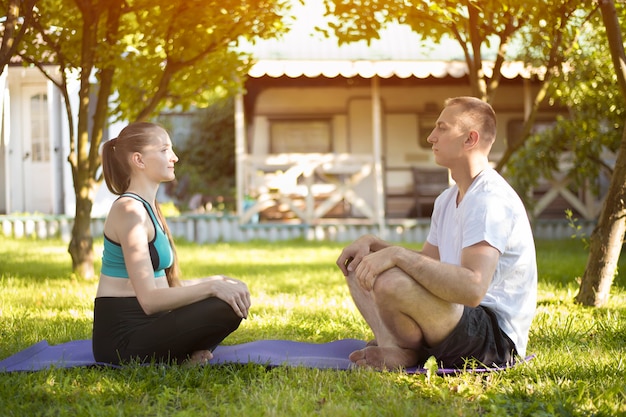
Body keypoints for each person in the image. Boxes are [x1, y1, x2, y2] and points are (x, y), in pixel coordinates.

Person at [336, 97, 537, 370]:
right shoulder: (447, 199)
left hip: (493, 340)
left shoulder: (489, 199)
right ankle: (397, 348)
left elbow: (472, 288)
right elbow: (426, 265)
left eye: (442, 128)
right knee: (360, 262)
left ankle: (404, 351)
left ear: (470, 139)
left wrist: (394, 255)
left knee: (390, 281)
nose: (432, 137)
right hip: (455, 317)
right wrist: (374, 245)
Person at [92, 122, 251, 366]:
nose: (174, 157)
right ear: (139, 160)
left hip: (151, 326)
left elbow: (166, 285)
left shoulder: (149, 208)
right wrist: (211, 289)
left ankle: (179, 356)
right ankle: (179, 356)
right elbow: (150, 300)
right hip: (122, 341)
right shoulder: (129, 211)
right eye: (165, 150)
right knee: (222, 305)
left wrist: (219, 281)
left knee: (230, 296)